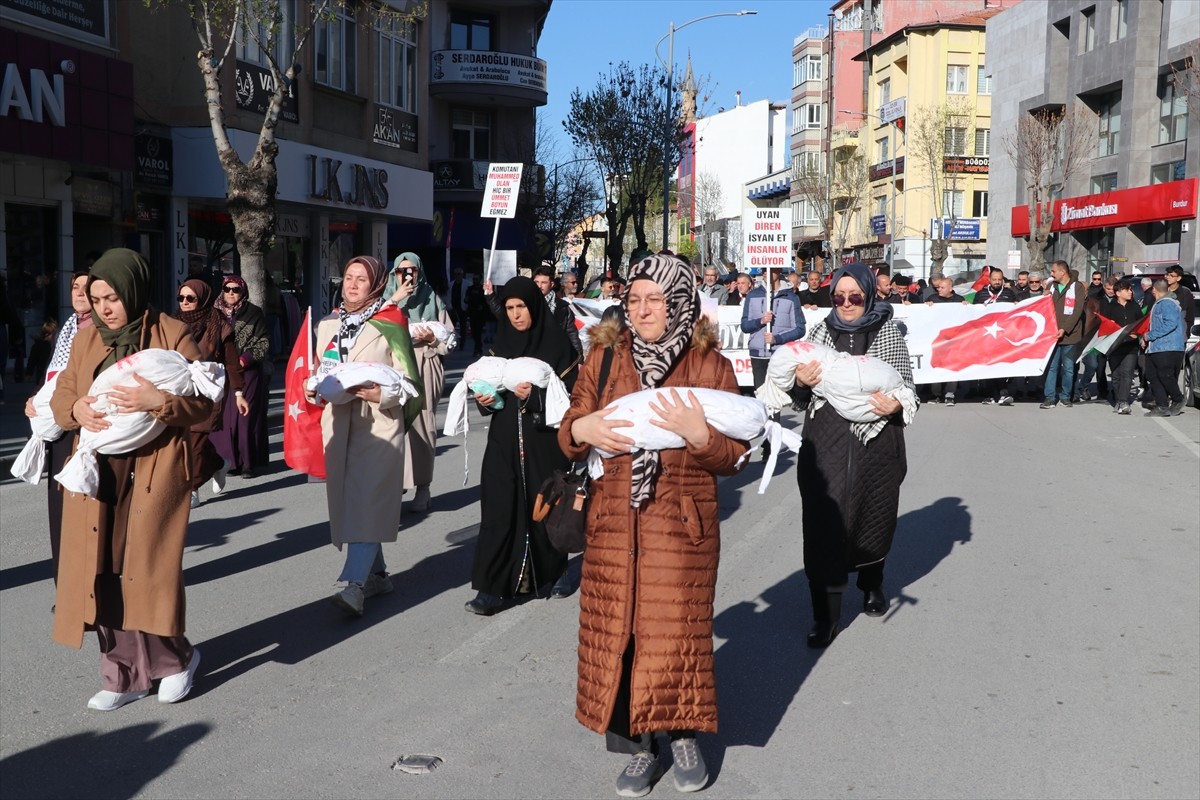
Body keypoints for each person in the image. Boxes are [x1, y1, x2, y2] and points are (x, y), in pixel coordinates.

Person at [559, 254, 746, 797]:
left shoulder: (711, 366)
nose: (642, 310)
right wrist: (584, 428)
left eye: (655, 299)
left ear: (680, 302)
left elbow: (736, 456)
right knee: (622, 636)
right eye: (635, 299)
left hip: (680, 528)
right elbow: (569, 428)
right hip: (613, 525)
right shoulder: (602, 356)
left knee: (675, 637)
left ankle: (683, 736)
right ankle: (639, 747)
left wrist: (700, 435)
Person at [49, 248, 211, 711]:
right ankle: (122, 673)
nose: (104, 307)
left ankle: (174, 661)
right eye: (96, 298)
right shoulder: (85, 340)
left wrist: (155, 399)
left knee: (147, 569)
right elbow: (64, 395)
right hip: (97, 468)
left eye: (113, 297)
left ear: (134, 291)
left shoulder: (172, 332)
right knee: (99, 569)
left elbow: (203, 406)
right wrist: (75, 409)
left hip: (153, 468)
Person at [790, 263, 916, 649]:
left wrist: (893, 404)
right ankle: (824, 616)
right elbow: (798, 398)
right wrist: (800, 382)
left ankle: (872, 582)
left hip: (875, 443)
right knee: (822, 524)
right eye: (839, 297)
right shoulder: (818, 333)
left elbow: (907, 389)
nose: (846, 303)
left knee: (872, 516)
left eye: (855, 296)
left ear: (869, 295)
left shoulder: (888, 333)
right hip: (826, 441)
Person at [309, 255, 423, 615]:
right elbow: (318, 367)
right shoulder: (328, 324)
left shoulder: (391, 320)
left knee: (370, 497)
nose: (353, 284)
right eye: (348, 277)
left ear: (375, 284)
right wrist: (311, 388)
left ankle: (354, 586)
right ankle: (378, 575)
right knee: (352, 499)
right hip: (339, 422)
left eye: (361, 278)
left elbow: (409, 379)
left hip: (379, 421)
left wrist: (382, 395)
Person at [466, 277, 579, 616]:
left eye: (522, 307)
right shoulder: (500, 344)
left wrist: (537, 397)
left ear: (535, 307)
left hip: (543, 442)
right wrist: (485, 400)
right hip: (503, 442)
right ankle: (491, 587)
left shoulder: (558, 345)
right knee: (499, 509)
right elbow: (489, 390)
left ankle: (555, 570)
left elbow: (574, 398)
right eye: (511, 308)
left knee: (545, 506)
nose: (516, 315)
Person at [24, 270, 93, 581]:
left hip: (88, 427)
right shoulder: (67, 328)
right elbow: (54, 374)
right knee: (60, 507)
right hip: (58, 424)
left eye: (87, 288)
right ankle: (66, 586)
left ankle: (88, 589)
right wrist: (36, 397)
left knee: (85, 508)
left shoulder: (105, 330)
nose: (79, 293)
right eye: (75, 287)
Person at [386, 252, 453, 514]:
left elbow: (449, 340)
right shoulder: (386, 299)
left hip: (425, 363)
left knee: (423, 426)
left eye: (411, 270)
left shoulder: (433, 299)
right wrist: (395, 301)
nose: (407, 275)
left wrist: (433, 340)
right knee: (392, 426)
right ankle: (395, 484)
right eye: (401, 271)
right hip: (394, 365)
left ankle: (423, 487)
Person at [173, 278, 248, 508]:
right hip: (181, 390)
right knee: (187, 441)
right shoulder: (172, 323)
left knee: (195, 441)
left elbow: (231, 361)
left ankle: (192, 488)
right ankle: (217, 463)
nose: (185, 302)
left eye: (190, 298)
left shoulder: (219, 324)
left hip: (208, 390)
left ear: (202, 299)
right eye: (181, 298)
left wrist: (238, 393)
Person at [210, 275, 270, 477]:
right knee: (225, 418)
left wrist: (244, 360)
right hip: (221, 372)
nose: (231, 293)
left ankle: (248, 463)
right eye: (227, 289)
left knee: (245, 417)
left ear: (243, 291)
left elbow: (263, 342)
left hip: (248, 372)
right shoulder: (214, 313)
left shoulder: (254, 312)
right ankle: (230, 462)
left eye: (236, 289)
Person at [1040, 260, 1086, 409]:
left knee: (1068, 368)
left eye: (1053, 271)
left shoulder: (1077, 287)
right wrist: (1043, 296)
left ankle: (1066, 396)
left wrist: (1065, 329)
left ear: (1062, 272)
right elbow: (1043, 308)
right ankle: (1049, 397)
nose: (1051, 274)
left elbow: (1077, 311)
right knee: (1051, 368)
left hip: (1070, 336)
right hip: (1052, 335)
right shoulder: (1051, 286)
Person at [1141, 279, 1186, 417]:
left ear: (1155, 289)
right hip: (1157, 347)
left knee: (1165, 375)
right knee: (1152, 375)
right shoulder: (1160, 303)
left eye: (1152, 290)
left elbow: (1170, 324)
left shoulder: (1167, 303)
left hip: (1167, 347)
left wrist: (1149, 336)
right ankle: (1162, 406)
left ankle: (1178, 399)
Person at [924, 277, 966, 405]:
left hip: (954, 340)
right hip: (937, 339)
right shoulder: (933, 298)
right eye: (938, 287)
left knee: (952, 365)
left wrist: (967, 307)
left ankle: (950, 394)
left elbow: (967, 316)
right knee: (936, 365)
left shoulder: (959, 300)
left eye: (942, 288)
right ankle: (936, 394)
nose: (939, 290)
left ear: (950, 289)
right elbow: (923, 315)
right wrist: (926, 307)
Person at [1106, 279, 1144, 415]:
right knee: (1116, 376)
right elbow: (1101, 327)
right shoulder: (1109, 307)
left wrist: (1139, 335)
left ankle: (1124, 401)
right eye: (1127, 290)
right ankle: (1118, 400)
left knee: (1127, 374)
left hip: (1131, 347)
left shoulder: (1134, 307)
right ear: (1118, 293)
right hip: (1114, 347)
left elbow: (1141, 323)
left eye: (1131, 290)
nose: (1130, 292)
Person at [1165, 264, 1196, 335]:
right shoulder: (1161, 291)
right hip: (1162, 335)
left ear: (1178, 278)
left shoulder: (1185, 293)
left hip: (1179, 335)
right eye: (1167, 275)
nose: (1168, 277)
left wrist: (1186, 333)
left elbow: (1190, 315)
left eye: (1171, 276)